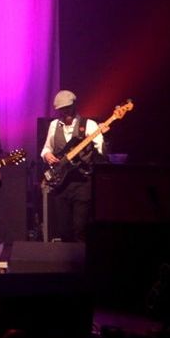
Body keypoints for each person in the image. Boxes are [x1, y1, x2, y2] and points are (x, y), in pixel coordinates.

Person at [41, 89, 104, 243]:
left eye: (68, 108)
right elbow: (46, 148)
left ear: (74, 106)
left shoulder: (89, 125)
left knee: (80, 229)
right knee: (63, 230)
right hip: (61, 183)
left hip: (82, 182)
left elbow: (102, 152)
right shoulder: (54, 125)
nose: (65, 112)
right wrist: (47, 155)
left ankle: (82, 258)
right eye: (62, 109)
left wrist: (101, 139)